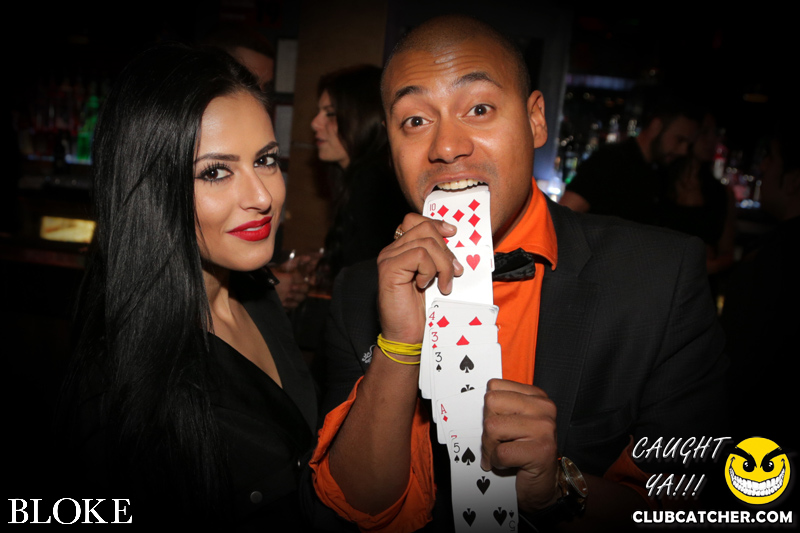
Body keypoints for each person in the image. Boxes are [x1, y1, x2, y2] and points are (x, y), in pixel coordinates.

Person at [309, 14, 729, 532]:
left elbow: (695, 504)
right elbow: (350, 508)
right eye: (415, 120)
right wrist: (399, 347)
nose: (446, 146)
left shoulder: (660, 278)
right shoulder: (359, 291)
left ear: (535, 120)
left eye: (479, 109)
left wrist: (559, 488)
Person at [56, 44, 329, 529]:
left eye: (266, 160)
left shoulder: (259, 295)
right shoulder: (119, 383)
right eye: (216, 172)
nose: (262, 196)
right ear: (151, 189)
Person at [721, 121, 799, 444]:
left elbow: (739, 358)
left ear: (793, 180)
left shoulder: (774, 259)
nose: (763, 167)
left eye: (772, 159)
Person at [311, 65, 409, 290]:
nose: (314, 123)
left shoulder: (371, 182)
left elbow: (364, 280)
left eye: (330, 113)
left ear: (364, 116)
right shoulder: (365, 178)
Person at [559, 96, 702, 226]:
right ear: (656, 126)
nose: (683, 151)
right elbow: (563, 220)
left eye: (688, 144)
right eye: (680, 139)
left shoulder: (661, 173)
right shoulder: (609, 160)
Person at [660, 111, 736, 294]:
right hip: (659, 286)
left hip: (699, 290)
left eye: (715, 133)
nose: (712, 140)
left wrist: (707, 267)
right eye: (704, 132)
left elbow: (728, 253)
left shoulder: (721, 194)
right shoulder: (660, 184)